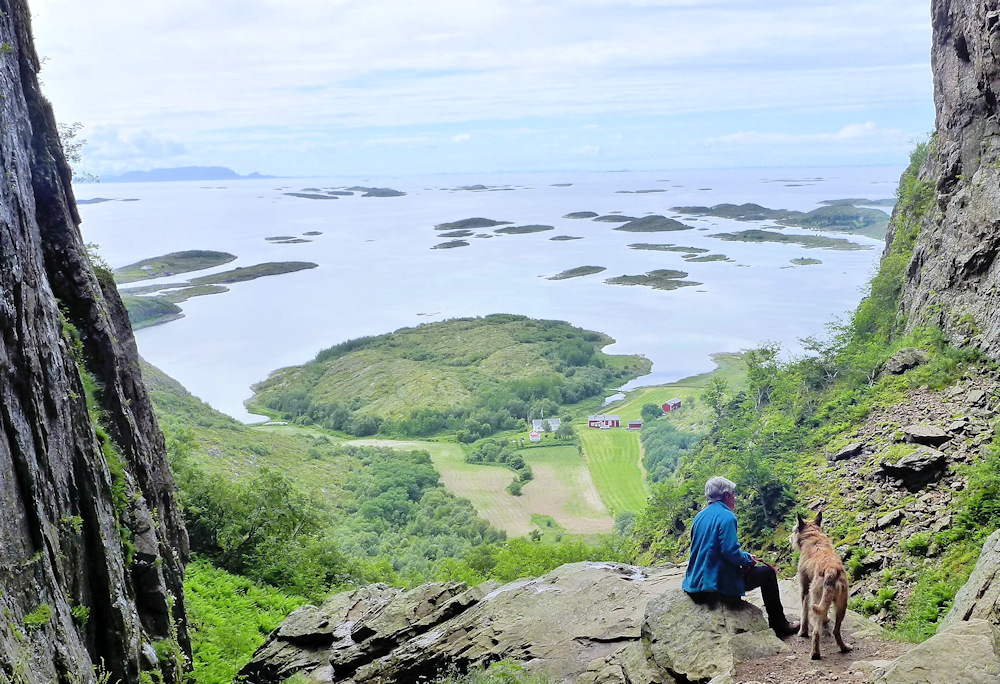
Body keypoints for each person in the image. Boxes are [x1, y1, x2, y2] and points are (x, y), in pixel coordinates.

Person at [682, 476, 799, 637]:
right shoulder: (727, 517)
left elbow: (711, 549)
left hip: (695, 584)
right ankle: (780, 625)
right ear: (725, 495)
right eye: (733, 494)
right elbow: (730, 552)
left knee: (760, 571)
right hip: (715, 585)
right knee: (767, 574)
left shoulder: (699, 517)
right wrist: (747, 559)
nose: (734, 498)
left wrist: (743, 557)